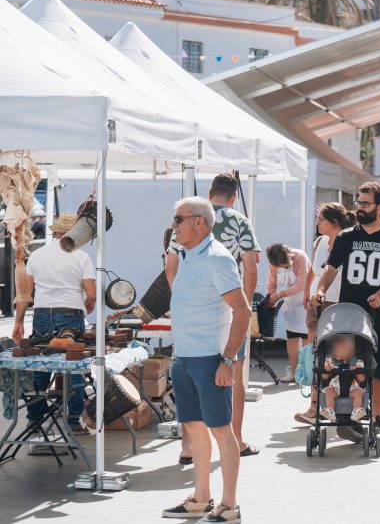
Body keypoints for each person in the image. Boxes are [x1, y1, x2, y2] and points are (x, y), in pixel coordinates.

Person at [161, 197, 250, 524]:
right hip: (185, 358)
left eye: (178, 218)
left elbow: (243, 311)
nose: (174, 224)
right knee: (195, 430)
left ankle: (229, 506)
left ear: (199, 221)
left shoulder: (216, 259)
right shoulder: (188, 257)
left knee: (221, 432)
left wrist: (228, 360)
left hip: (210, 361)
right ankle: (201, 497)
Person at [169, 173, 261, 463]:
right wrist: (240, 305)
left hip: (193, 317)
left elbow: (170, 267)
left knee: (189, 381)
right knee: (233, 377)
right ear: (233, 196)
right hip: (225, 312)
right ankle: (236, 439)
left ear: (210, 193)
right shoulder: (240, 221)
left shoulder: (184, 223)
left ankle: (188, 446)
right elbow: (251, 268)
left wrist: (184, 295)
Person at [312, 182, 380, 441]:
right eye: (358, 202)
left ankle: (377, 418)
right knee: (346, 365)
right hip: (350, 316)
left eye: (365, 203)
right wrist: (321, 289)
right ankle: (349, 415)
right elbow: (331, 268)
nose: (360, 208)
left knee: (379, 371)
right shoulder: (347, 237)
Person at [11, 213, 94, 434]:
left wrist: (18, 322)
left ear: (55, 232)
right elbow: (92, 293)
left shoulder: (37, 256)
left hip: (41, 314)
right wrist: (88, 305)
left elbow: (25, 295)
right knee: (73, 367)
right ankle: (73, 421)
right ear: (76, 233)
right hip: (70, 314)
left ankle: (35, 418)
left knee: (39, 366)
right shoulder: (81, 256)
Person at [295, 202, 355, 425]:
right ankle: (314, 406)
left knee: (334, 356)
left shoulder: (347, 241)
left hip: (336, 303)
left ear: (334, 222)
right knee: (314, 355)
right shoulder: (320, 242)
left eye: (321, 219)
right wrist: (305, 292)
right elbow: (313, 271)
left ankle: (331, 406)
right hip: (315, 302)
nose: (317, 223)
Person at [264, 244, 309, 384]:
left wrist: (279, 295)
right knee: (292, 337)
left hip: (305, 301)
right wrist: (270, 298)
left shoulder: (300, 257)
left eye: (285, 265)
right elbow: (271, 283)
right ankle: (294, 372)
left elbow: (302, 284)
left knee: (306, 338)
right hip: (289, 304)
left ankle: (307, 372)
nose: (283, 268)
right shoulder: (273, 263)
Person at [319, 335, 368, 422]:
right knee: (329, 391)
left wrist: (358, 370)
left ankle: (356, 411)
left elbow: (362, 379)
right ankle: (330, 411)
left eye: (339, 349)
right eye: (334, 350)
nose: (335, 352)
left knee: (358, 392)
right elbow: (324, 377)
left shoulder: (357, 362)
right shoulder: (331, 362)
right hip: (335, 389)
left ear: (350, 351)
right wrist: (327, 369)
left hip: (352, 389)